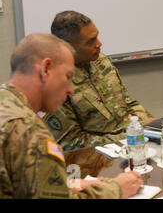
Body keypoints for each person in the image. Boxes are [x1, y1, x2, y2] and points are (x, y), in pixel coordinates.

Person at [0, 33, 143, 198]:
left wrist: (69, 184)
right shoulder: (28, 129)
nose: (70, 89)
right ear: (45, 68)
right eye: (67, 77)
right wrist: (117, 189)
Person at [43, 11, 154, 151]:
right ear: (67, 46)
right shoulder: (56, 81)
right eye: (91, 41)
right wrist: (125, 137)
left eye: (97, 37)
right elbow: (70, 143)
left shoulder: (101, 61)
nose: (99, 44)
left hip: (132, 143)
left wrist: (150, 125)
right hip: (96, 158)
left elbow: (127, 103)